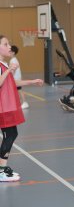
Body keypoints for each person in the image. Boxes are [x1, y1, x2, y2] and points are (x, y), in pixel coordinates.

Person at [0, 35, 43, 182]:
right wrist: (9, 70)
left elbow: (12, 82)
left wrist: (32, 81)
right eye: (5, 44)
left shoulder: (4, 64)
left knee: (11, 134)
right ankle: (1, 170)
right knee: (10, 135)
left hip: (7, 106)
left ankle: (2, 168)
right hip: (3, 107)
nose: (9, 47)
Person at [10, 45, 29, 109]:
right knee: (17, 90)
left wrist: (10, 77)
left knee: (19, 90)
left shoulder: (13, 60)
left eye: (10, 51)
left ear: (13, 52)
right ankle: (19, 102)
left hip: (16, 79)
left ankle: (25, 102)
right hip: (16, 78)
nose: (9, 52)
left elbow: (13, 70)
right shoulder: (14, 59)